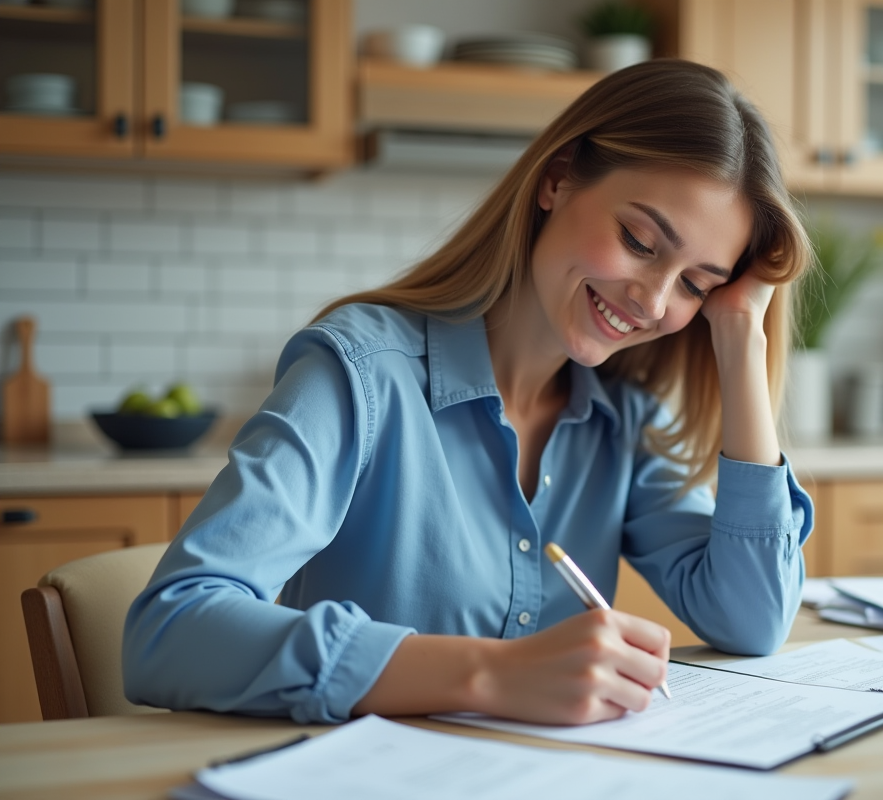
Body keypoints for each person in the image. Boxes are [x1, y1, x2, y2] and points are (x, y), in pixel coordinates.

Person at [123, 59, 813, 727]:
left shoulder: (626, 421)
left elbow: (752, 622)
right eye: (639, 240)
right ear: (557, 180)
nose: (654, 301)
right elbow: (170, 629)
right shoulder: (360, 374)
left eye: (695, 284)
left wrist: (742, 343)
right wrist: (493, 675)